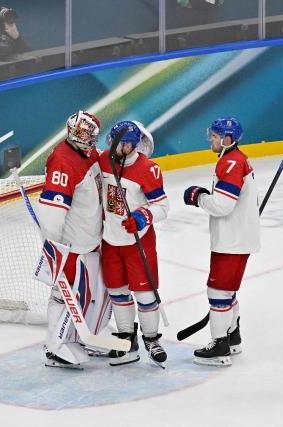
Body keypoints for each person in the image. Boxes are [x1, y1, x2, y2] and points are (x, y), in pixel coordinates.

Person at [183, 117, 260, 367]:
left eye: (215, 136)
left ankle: (220, 345)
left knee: (217, 292)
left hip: (231, 240)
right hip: (237, 237)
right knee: (227, 292)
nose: (211, 139)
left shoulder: (230, 163)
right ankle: (232, 336)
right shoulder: (236, 159)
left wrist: (199, 197)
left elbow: (222, 206)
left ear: (228, 139)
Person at [37, 111, 109, 369]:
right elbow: (53, 214)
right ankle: (57, 345)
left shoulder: (91, 154)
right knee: (66, 296)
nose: (81, 138)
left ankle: (86, 336)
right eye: (77, 133)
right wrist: (55, 248)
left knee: (93, 294)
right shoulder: (63, 160)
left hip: (91, 241)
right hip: (71, 246)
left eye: (86, 134)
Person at [98, 120, 170, 368]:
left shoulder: (147, 169)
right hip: (110, 240)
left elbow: (162, 206)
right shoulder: (103, 162)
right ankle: (127, 340)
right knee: (117, 291)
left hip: (138, 242)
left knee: (144, 294)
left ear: (130, 144)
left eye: (119, 143)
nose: (113, 148)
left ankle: (151, 339)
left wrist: (142, 216)